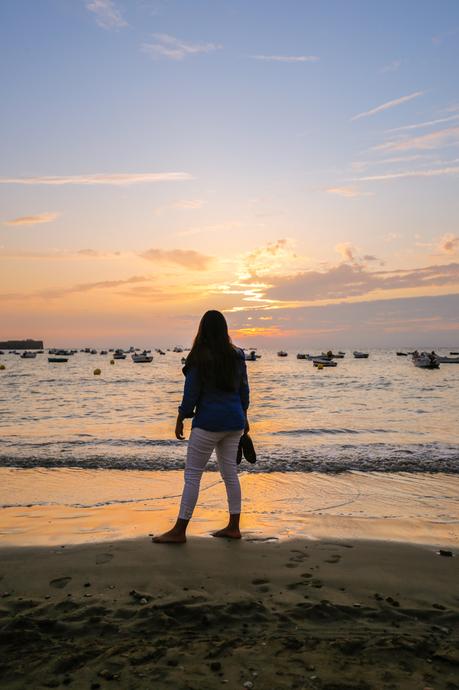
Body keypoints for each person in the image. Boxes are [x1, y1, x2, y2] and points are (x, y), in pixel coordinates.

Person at [153, 310, 250, 544]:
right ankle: (234, 527)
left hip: (208, 423)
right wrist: (244, 418)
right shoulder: (237, 355)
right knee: (230, 474)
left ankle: (179, 530)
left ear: (202, 329)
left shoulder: (199, 356)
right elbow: (244, 391)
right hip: (234, 421)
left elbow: (191, 394)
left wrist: (181, 417)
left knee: (193, 476)